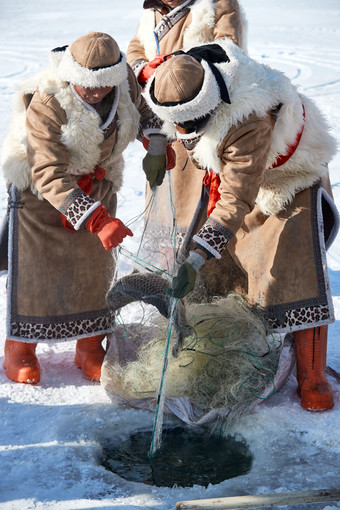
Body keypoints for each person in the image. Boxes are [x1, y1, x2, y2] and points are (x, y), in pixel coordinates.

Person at [143, 40, 339, 411]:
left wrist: (198, 256)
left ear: (209, 107)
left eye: (190, 125)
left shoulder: (251, 119)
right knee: (220, 270)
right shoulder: (182, 73)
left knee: (292, 270)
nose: (182, 130)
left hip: (288, 175)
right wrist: (157, 145)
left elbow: (236, 199)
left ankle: (313, 376)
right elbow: (158, 105)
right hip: (231, 175)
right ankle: (227, 348)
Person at [1, 32, 168, 384]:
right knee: (36, 273)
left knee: (96, 269)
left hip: (98, 178)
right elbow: (46, 172)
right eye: (88, 87)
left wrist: (154, 143)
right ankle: (21, 347)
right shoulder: (48, 101)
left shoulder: (121, 84)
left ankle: (90, 345)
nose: (96, 93)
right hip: (39, 190)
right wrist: (97, 219)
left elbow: (142, 109)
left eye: (104, 87)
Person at [127, 0, 247, 248]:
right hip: (159, 109)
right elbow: (136, 46)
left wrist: (176, 67)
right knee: (163, 187)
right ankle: (164, 259)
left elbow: (227, 50)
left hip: (202, 113)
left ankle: (198, 258)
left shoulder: (219, 4)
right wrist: (145, 70)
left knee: (201, 190)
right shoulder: (152, 11)